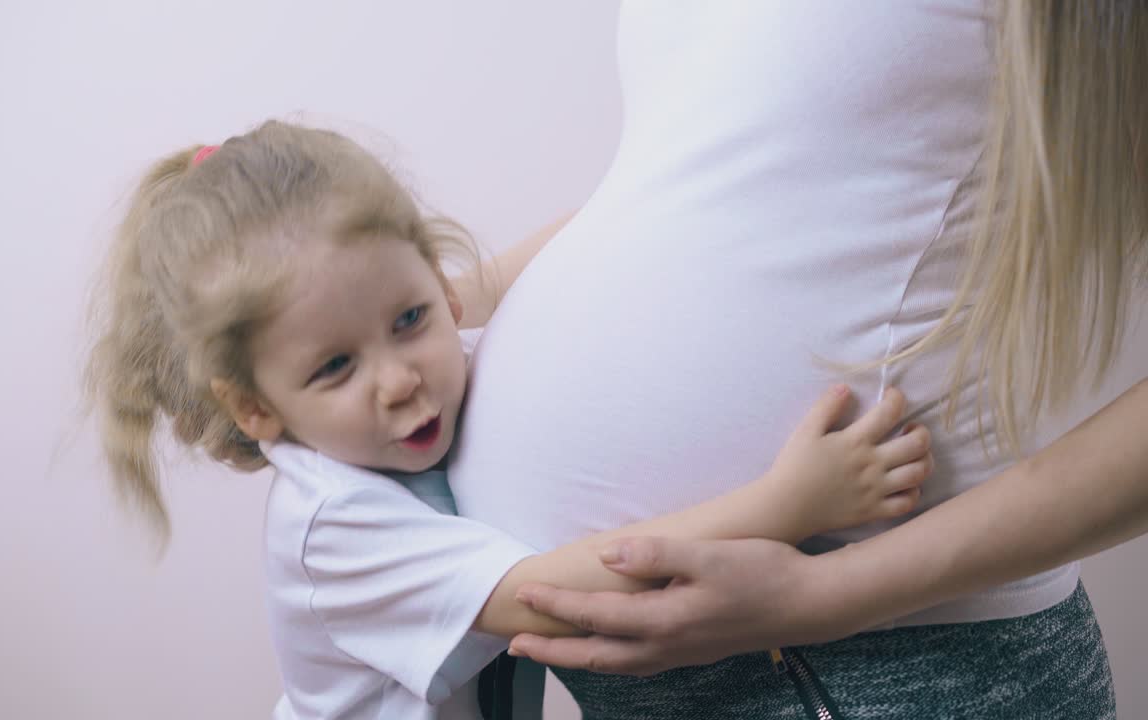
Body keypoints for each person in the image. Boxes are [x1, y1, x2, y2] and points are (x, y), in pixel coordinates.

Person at [82, 120, 934, 719]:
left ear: (438, 282)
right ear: (257, 407)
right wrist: (792, 504)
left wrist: (683, 194)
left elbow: (587, 239)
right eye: (336, 367)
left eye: (410, 319)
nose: (399, 379)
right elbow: (551, 596)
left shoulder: (417, 358)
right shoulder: (330, 527)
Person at [448, 1, 1146, 718]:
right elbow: (709, 174)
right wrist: (432, 306)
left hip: (884, 657)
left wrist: (823, 596)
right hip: (663, 678)